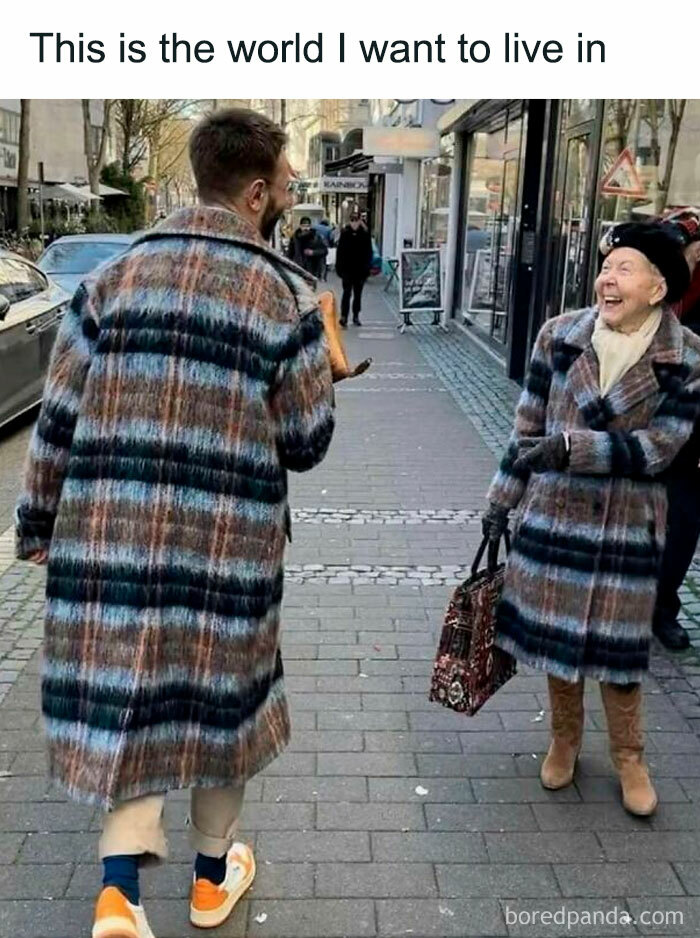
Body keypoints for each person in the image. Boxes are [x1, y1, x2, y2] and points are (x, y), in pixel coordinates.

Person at [15, 107, 336, 938]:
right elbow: (306, 443)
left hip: (109, 538)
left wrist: (37, 525)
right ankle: (206, 881)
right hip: (226, 552)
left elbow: (57, 418)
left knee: (132, 697)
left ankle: (118, 896)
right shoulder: (282, 291)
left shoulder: (112, 280)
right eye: (288, 186)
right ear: (257, 191)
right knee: (221, 710)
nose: (290, 198)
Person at [483, 221, 700, 817]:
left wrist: (576, 449)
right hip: (555, 519)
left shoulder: (686, 359)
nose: (607, 278)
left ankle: (629, 756)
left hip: (627, 526)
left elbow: (661, 449)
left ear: (658, 288)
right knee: (559, 643)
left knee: (621, 651)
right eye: (607, 267)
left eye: (624, 269)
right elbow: (527, 427)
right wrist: (501, 501)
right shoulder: (558, 336)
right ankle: (565, 739)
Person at [652, 209, 700, 650]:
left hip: (690, 437)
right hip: (641, 432)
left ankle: (663, 607)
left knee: (683, 524)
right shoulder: (646, 290)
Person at [335, 212, 373, 327]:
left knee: (358, 294)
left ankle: (356, 315)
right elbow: (340, 252)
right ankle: (344, 316)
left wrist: (367, 269)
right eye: (352, 220)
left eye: (356, 220)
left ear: (360, 222)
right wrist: (339, 268)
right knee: (346, 293)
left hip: (360, 270)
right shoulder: (345, 233)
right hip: (347, 270)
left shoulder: (364, 235)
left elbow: (368, 252)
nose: (354, 223)